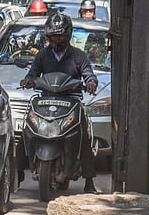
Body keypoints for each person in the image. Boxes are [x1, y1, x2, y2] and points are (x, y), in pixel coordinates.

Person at [19, 13, 100, 193]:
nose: (57, 39)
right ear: (48, 36)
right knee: (27, 129)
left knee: (84, 136)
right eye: (54, 35)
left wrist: (91, 82)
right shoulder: (42, 55)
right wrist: (28, 80)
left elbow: (88, 73)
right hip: (45, 99)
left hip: (70, 101)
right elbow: (33, 73)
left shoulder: (78, 56)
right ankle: (18, 173)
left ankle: (89, 182)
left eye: (61, 35)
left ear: (68, 35)